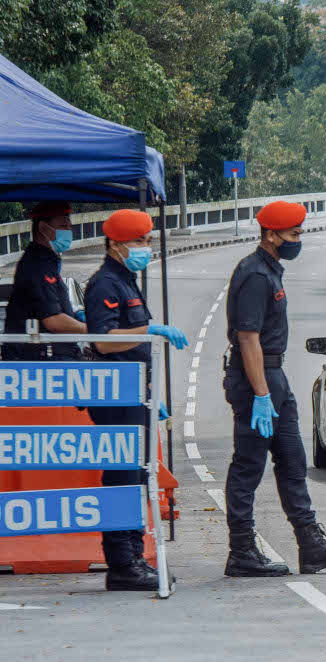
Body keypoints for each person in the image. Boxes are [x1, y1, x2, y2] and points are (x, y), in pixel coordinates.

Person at [223, 200, 326, 577]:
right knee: (249, 465)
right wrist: (261, 395)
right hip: (257, 379)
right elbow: (248, 338)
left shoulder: (269, 270)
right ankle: (241, 550)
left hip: (274, 377)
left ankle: (310, 544)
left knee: (293, 460)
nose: (298, 240)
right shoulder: (254, 274)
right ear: (271, 235)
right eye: (294, 234)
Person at [85, 209, 189, 591]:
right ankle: (122, 563)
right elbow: (103, 341)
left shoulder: (125, 280)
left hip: (132, 391)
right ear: (115, 244)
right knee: (122, 477)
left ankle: (132, 557)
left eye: (147, 241)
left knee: (135, 476)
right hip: (114, 394)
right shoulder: (105, 284)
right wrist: (150, 330)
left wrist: (147, 394)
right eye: (139, 241)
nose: (146, 247)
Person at [1, 202, 86, 361]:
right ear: (43, 228)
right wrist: (92, 328)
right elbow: (53, 320)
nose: (68, 231)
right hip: (41, 361)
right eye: (63, 226)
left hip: (53, 357)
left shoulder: (48, 263)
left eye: (69, 226)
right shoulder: (37, 266)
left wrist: (75, 315)